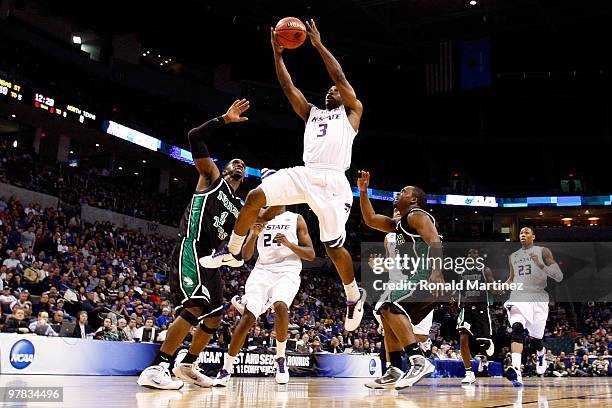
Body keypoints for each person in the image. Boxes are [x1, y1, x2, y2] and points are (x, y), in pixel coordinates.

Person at [201, 20, 366, 332]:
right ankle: (234, 251)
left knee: (332, 247)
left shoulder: (353, 112)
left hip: (333, 182)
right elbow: (289, 88)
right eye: (329, 89)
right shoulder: (311, 113)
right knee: (254, 197)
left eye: (336, 90)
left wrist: (317, 44)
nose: (332, 89)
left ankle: (352, 295)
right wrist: (278, 55)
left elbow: (339, 76)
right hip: (305, 174)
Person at [138, 99, 256, 390]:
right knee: (195, 305)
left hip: (212, 261)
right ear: (225, 169)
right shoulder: (211, 178)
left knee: (215, 316)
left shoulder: (242, 209)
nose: (238, 164)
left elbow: (242, 254)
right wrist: (225, 119)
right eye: (234, 162)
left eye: (243, 164)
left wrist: (254, 232)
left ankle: (187, 365)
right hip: (191, 247)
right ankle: (157, 367)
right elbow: (194, 136)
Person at [358, 171, 444, 390]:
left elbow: (434, 240)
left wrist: (437, 273)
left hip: (426, 276)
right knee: (385, 313)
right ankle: (394, 369)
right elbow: (370, 219)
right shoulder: (400, 225)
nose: (399, 193)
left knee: (389, 307)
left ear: (413, 200)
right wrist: (363, 191)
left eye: (404, 191)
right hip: (416, 278)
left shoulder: (417, 215)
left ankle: (418, 361)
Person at [213, 208, 315, 386]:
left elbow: (311, 254)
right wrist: (254, 234)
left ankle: (281, 359)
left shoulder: (296, 219)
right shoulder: (258, 216)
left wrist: (289, 244)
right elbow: (245, 255)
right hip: (262, 270)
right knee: (247, 318)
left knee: (281, 305)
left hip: (288, 270)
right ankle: (226, 369)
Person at [503, 227, 563, 386]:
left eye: (526, 232)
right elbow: (512, 278)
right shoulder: (513, 256)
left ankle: (541, 353)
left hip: (538, 298)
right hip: (519, 296)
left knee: (536, 339)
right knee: (517, 327)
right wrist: (502, 285)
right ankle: (516, 369)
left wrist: (540, 265)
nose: (523, 235)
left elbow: (558, 275)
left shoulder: (543, 251)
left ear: (533, 236)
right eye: (521, 233)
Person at [456, 248, 496, 385]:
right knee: (462, 338)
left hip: (481, 309)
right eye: (469, 253)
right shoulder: (461, 271)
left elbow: (492, 285)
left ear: (479, 257)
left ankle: (488, 341)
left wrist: (497, 288)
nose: (471, 255)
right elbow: (458, 288)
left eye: (475, 253)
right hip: (466, 309)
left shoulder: (485, 270)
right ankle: (468, 373)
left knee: (482, 342)